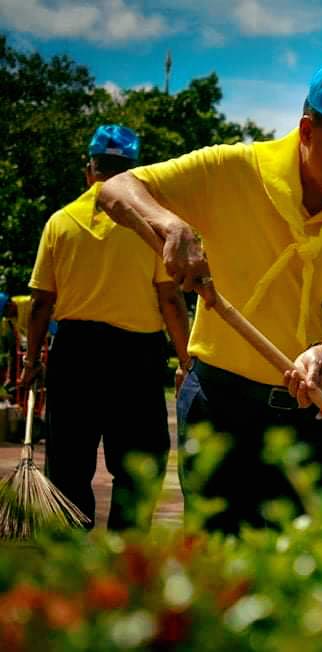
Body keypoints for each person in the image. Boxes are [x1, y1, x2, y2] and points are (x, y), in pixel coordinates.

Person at [99, 55, 322, 534]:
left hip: (316, 415)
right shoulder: (231, 170)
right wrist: (170, 224)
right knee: (220, 571)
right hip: (219, 406)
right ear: (307, 131)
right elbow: (117, 189)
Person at [18, 124, 191, 530]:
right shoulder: (148, 228)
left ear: (88, 170)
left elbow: (42, 302)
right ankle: (125, 551)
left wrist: (30, 363)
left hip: (75, 353)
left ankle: (73, 557)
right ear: (134, 171)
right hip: (137, 356)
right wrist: (186, 359)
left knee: (68, 460)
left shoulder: (60, 223)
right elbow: (170, 299)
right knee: (139, 460)